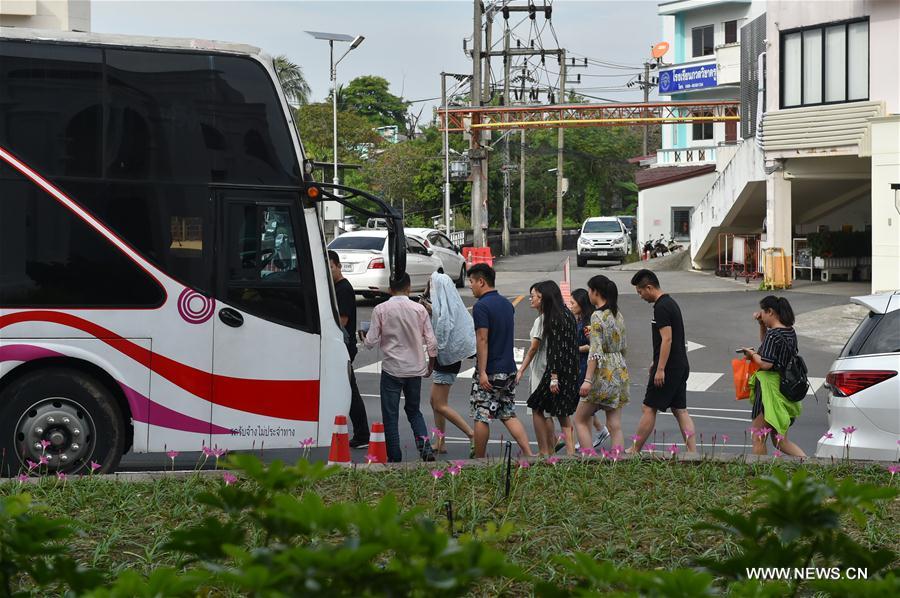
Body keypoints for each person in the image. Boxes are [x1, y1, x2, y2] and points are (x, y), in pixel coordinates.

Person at [361, 273, 437, 462]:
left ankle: (395, 456)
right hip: (415, 369)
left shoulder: (381, 309)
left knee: (390, 415)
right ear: (409, 287)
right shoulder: (419, 310)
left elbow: (371, 341)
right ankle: (425, 448)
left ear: (389, 289)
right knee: (414, 410)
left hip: (392, 369)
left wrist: (363, 336)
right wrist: (431, 365)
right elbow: (432, 341)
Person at [627, 269, 697, 454]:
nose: (641, 296)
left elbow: (667, 339)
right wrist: (655, 361)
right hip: (680, 364)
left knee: (649, 407)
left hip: (670, 367)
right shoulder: (670, 303)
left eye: (640, 292)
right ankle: (692, 452)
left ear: (649, 287)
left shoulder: (661, 307)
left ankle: (635, 449)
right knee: (680, 409)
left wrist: (660, 368)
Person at [468, 263, 533, 458]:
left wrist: (482, 372)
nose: (470, 286)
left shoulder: (481, 306)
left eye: (471, 282)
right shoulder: (506, 304)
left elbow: (482, 339)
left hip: (492, 369)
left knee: (482, 414)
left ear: (481, 281)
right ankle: (530, 454)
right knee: (507, 412)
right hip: (509, 368)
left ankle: (479, 460)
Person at [516, 281, 578, 456]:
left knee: (536, 406)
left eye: (534, 296)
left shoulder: (547, 319)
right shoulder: (567, 314)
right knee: (560, 412)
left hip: (549, 370)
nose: (531, 299)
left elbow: (550, 349)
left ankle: (545, 450)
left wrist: (553, 377)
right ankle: (569, 453)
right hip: (567, 370)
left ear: (544, 298)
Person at [740, 296, 806, 457]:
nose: (761, 314)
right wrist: (762, 325)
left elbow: (765, 363)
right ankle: (808, 464)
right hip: (783, 388)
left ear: (770, 312)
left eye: (763, 312)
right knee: (780, 440)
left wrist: (752, 354)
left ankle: (760, 475)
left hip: (768, 391)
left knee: (758, 437)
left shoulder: (774, 335)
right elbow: (767, 346)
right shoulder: (789, 331)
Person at [420, 271, 476, 455]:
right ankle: (440, 441)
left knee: (439, 404)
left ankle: (471, 434)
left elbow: (442, 329)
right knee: (433, 401)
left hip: (446, 359)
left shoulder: (445, 312)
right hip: (448, 358)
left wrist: (430, 311)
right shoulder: (448, 307)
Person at [576, 276, 629, 451]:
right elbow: (623, 345)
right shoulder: (618, 314)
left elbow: (595, 351)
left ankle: (589, 460)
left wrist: (588, 380)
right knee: (614, 423)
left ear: (595, 292)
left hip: (603, 372)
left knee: (580, 419)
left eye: (589, 290)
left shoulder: (597, 316)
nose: (588, 294)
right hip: (619, 369)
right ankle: (618, 461)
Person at [328, 250, 369, 449]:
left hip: (345, 346)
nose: (329, 271)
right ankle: (359, 432)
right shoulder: (334, 287)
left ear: (338, 266)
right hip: (343, 345)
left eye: (331, 267)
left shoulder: (343, 288)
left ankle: (362, 434)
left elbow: (342, 320)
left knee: (350, 390)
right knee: (347, 389)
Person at [569, 288, 610, 449]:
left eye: (573, 303)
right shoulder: (578, 319)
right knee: (583, 404)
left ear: (581, 303)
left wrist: (575, 349)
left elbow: (593, 345)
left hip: (586, 365)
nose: (570, 305)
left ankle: (591, 436)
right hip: (579, 365)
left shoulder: (588, 323)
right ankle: (598, 430)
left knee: (583, 405)